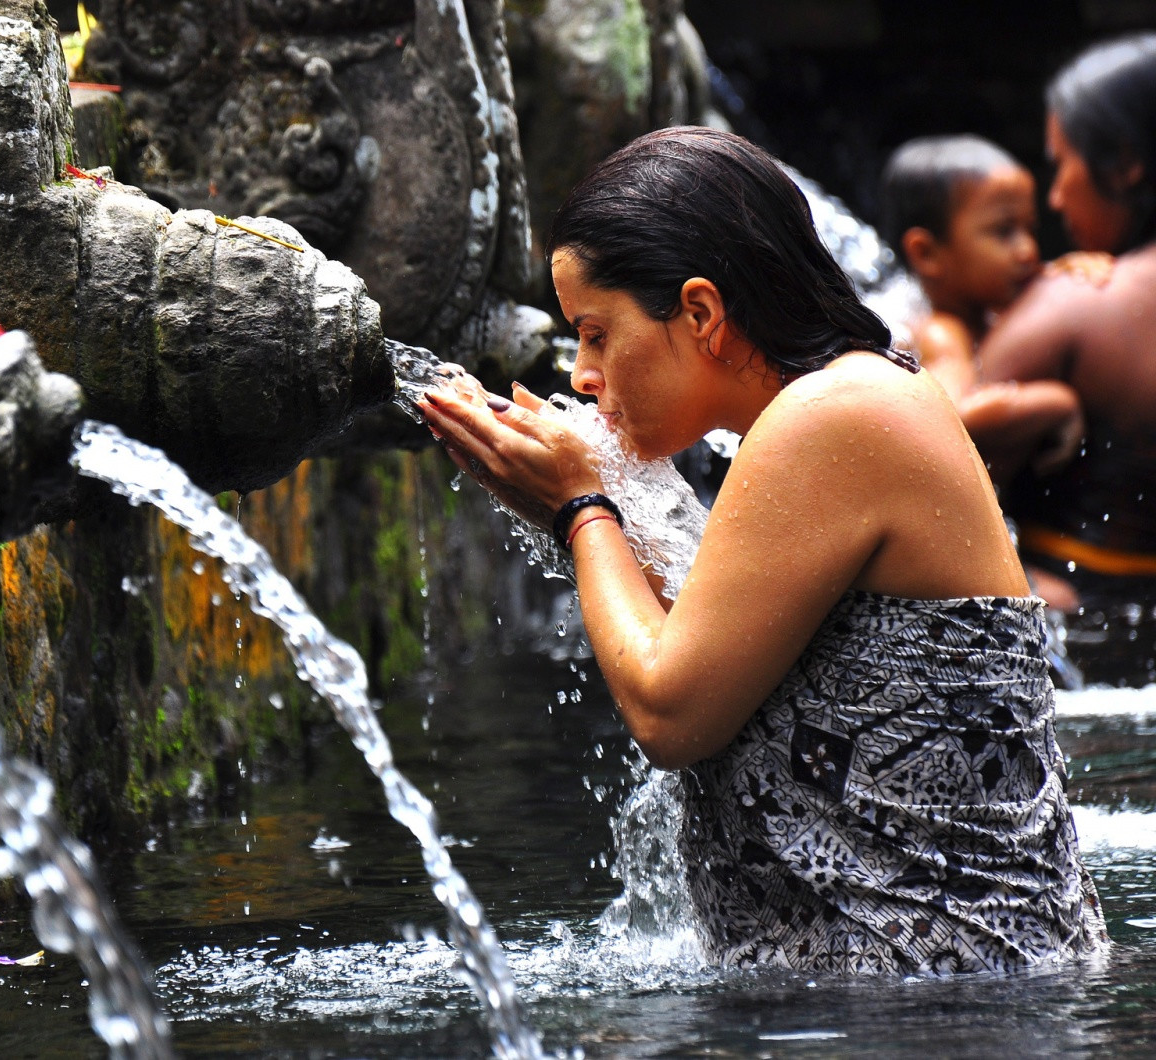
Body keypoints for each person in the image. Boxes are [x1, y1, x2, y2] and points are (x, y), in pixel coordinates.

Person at [418, 126, 1105, 976]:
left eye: (597, 333)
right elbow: (722, 655)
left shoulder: (834, 417)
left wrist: (580, 509)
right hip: (928, 985)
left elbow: (671, 711)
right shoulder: (836, 404)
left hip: (942, 998)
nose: (584, 375)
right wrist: (566, 503)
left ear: (702, 312)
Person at [976, 34, 1156, 680]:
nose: (1055, 199)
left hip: (1066, 640)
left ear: (1127, 162)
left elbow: (911, 465)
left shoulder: (1076, 305)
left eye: (1062, 165)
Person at [879, 135, 1091, 609]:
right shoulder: (938, 331)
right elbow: (957, 417)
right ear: (927, 254)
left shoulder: (986, 312)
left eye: (1030, 229)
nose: (1028, 251)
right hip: (923, 543)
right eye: (1004, 232)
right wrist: (1059, 402)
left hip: (963, 530)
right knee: (1060, 604)